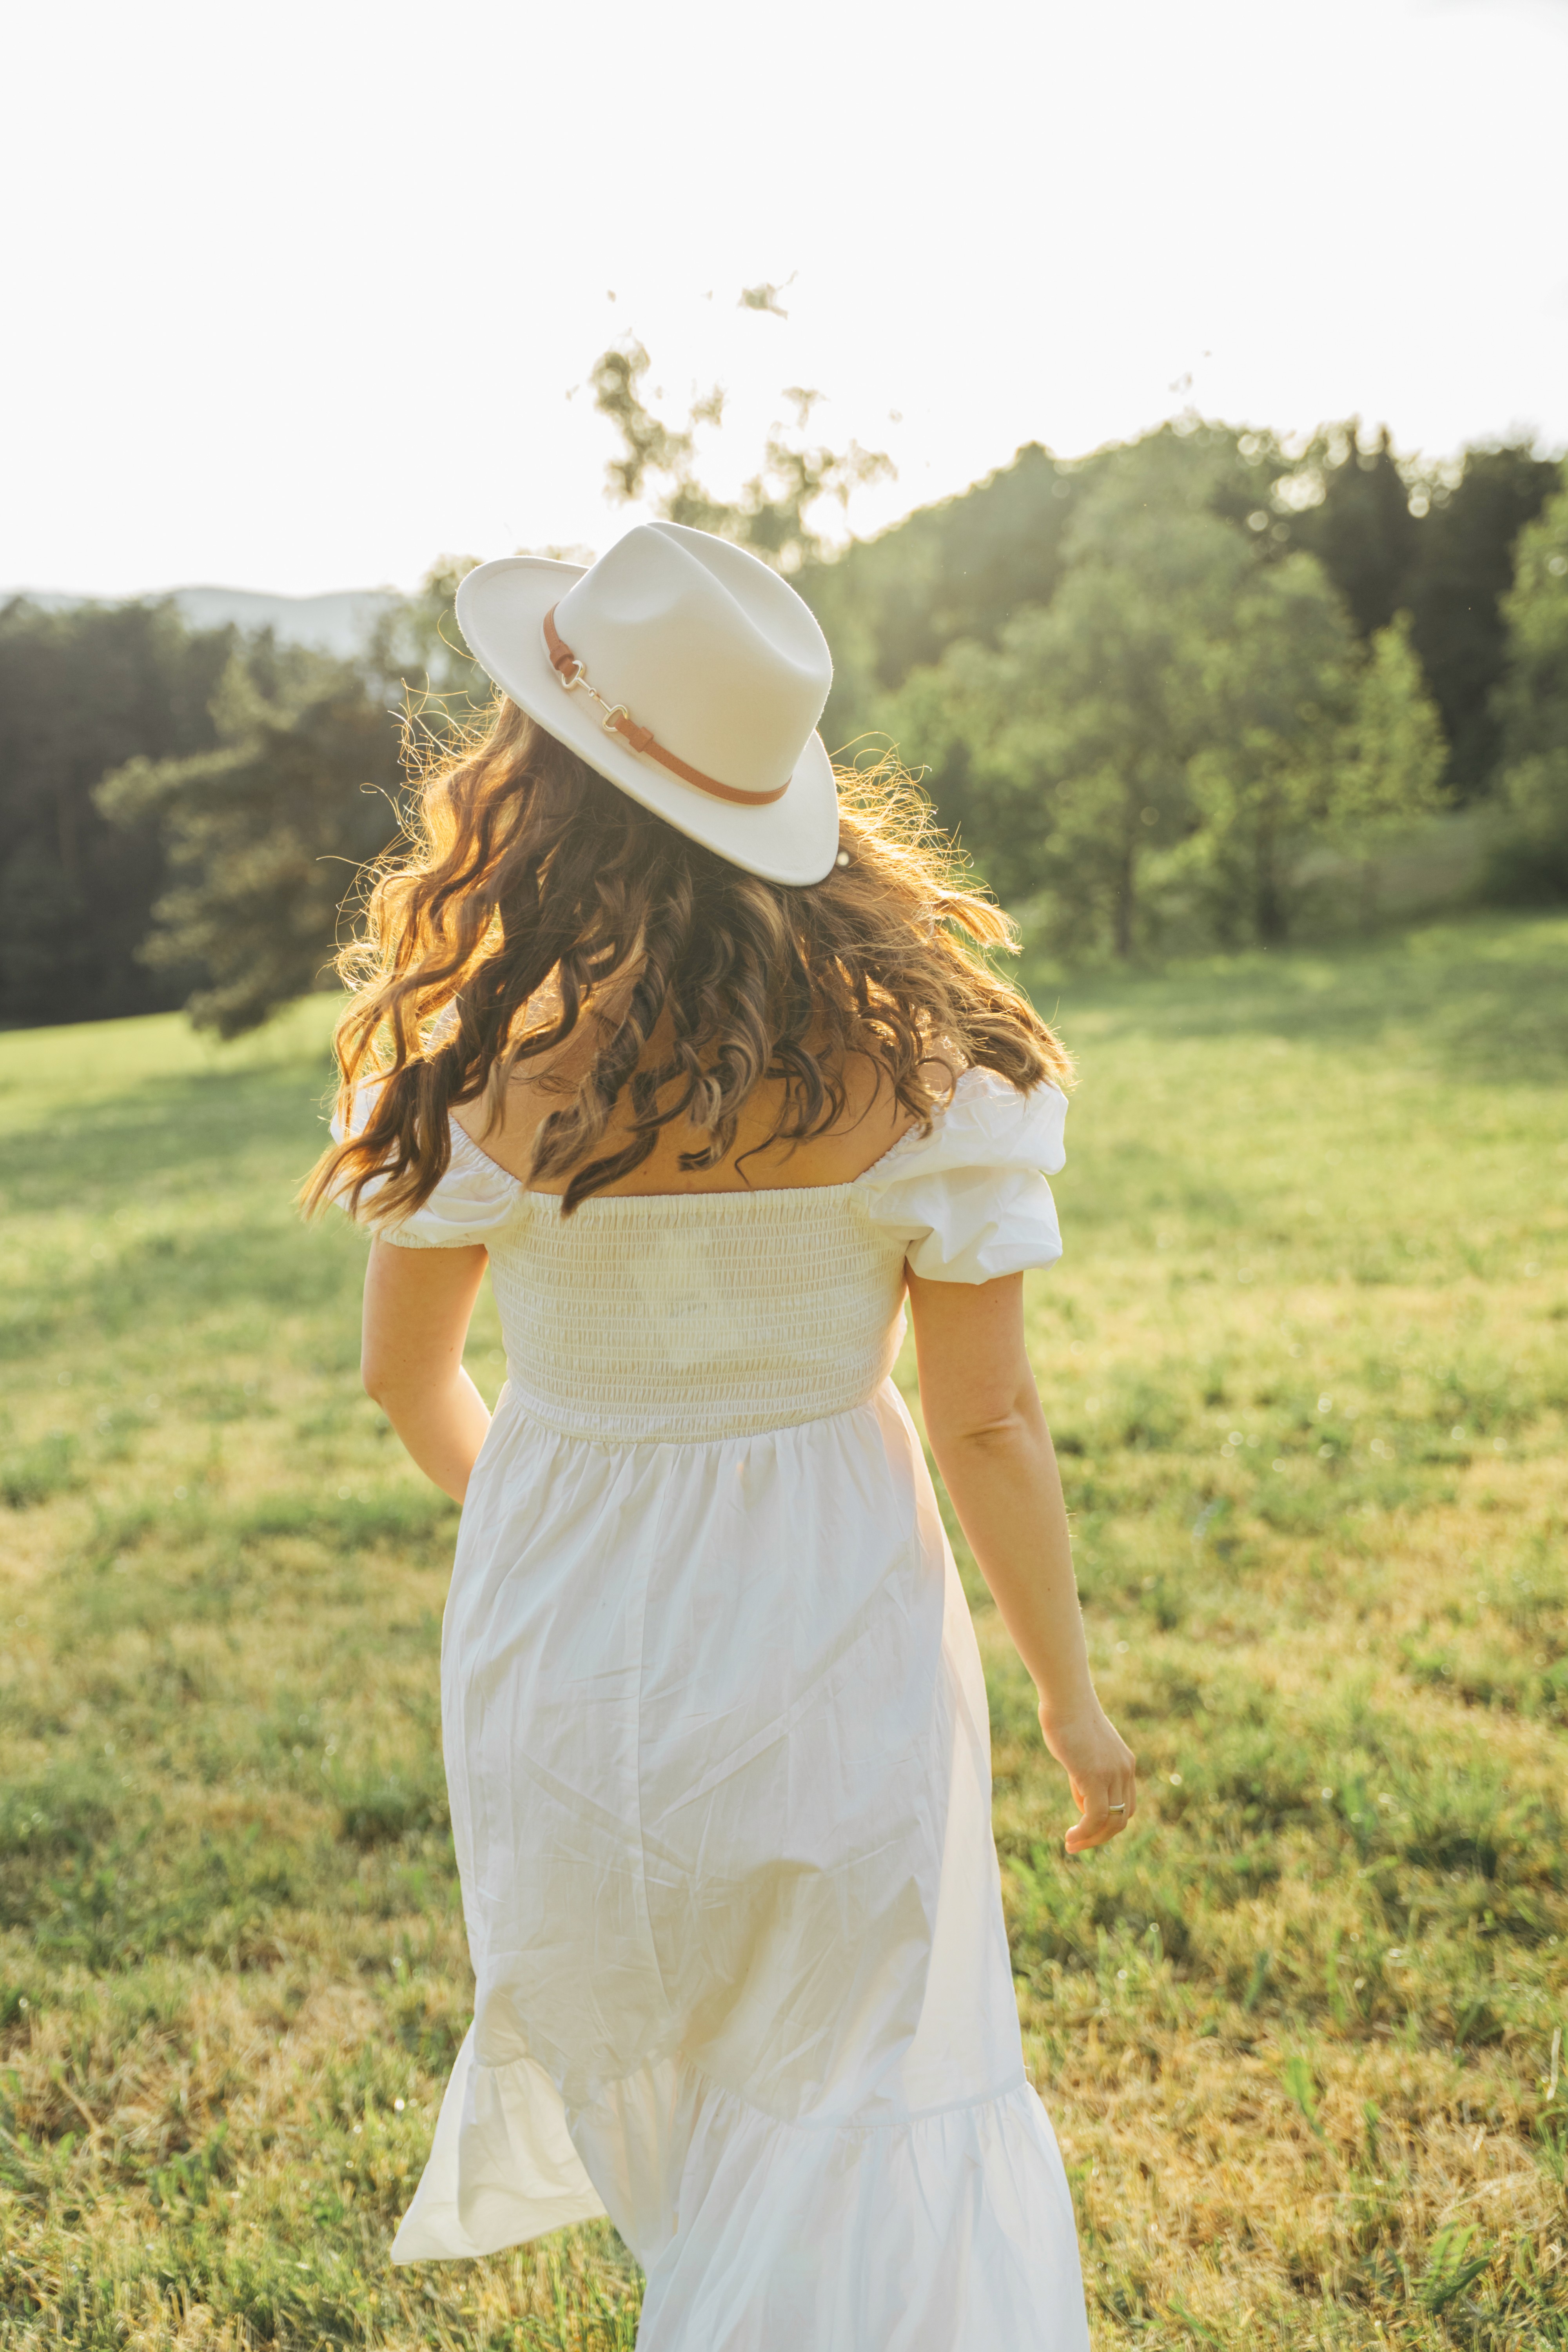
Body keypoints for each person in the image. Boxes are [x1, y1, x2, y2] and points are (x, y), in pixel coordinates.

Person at [305, 521, 1136, 2348]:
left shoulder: (467, 1062)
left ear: (534, 785)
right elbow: (985, 1419)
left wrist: (552, 1508)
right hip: (833, 1605)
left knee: (669, 2092)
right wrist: (1072, 1701)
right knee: (850, 2093)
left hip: (566, 1633)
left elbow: (406, 1383)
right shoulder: (925, 1065)